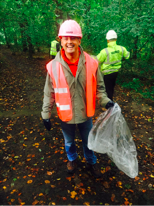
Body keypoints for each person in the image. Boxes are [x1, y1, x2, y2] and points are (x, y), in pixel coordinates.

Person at [41, 20, 114, 178]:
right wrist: (45, 114)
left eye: (73, 38)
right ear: (60, 40)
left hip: (85, 114)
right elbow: (49, 93)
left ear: (79, 40)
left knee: (88, 141)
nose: (69, 41)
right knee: (69, 142)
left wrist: (105, 101)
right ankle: (72, 159)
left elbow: (99, 89)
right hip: (65, 117)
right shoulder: (53, 66)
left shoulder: (92, 63)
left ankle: (91, 161)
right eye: (65, 38)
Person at [97, 30, 130, 100]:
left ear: (107, 40)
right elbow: (127, 56)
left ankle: (109, 105)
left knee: (106, 90)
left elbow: (96, 61)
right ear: (116, 39)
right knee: (111, 88)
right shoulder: (121, 48)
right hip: (115, 72)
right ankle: (109, 102)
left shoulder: (105, 51)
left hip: (107, 74)